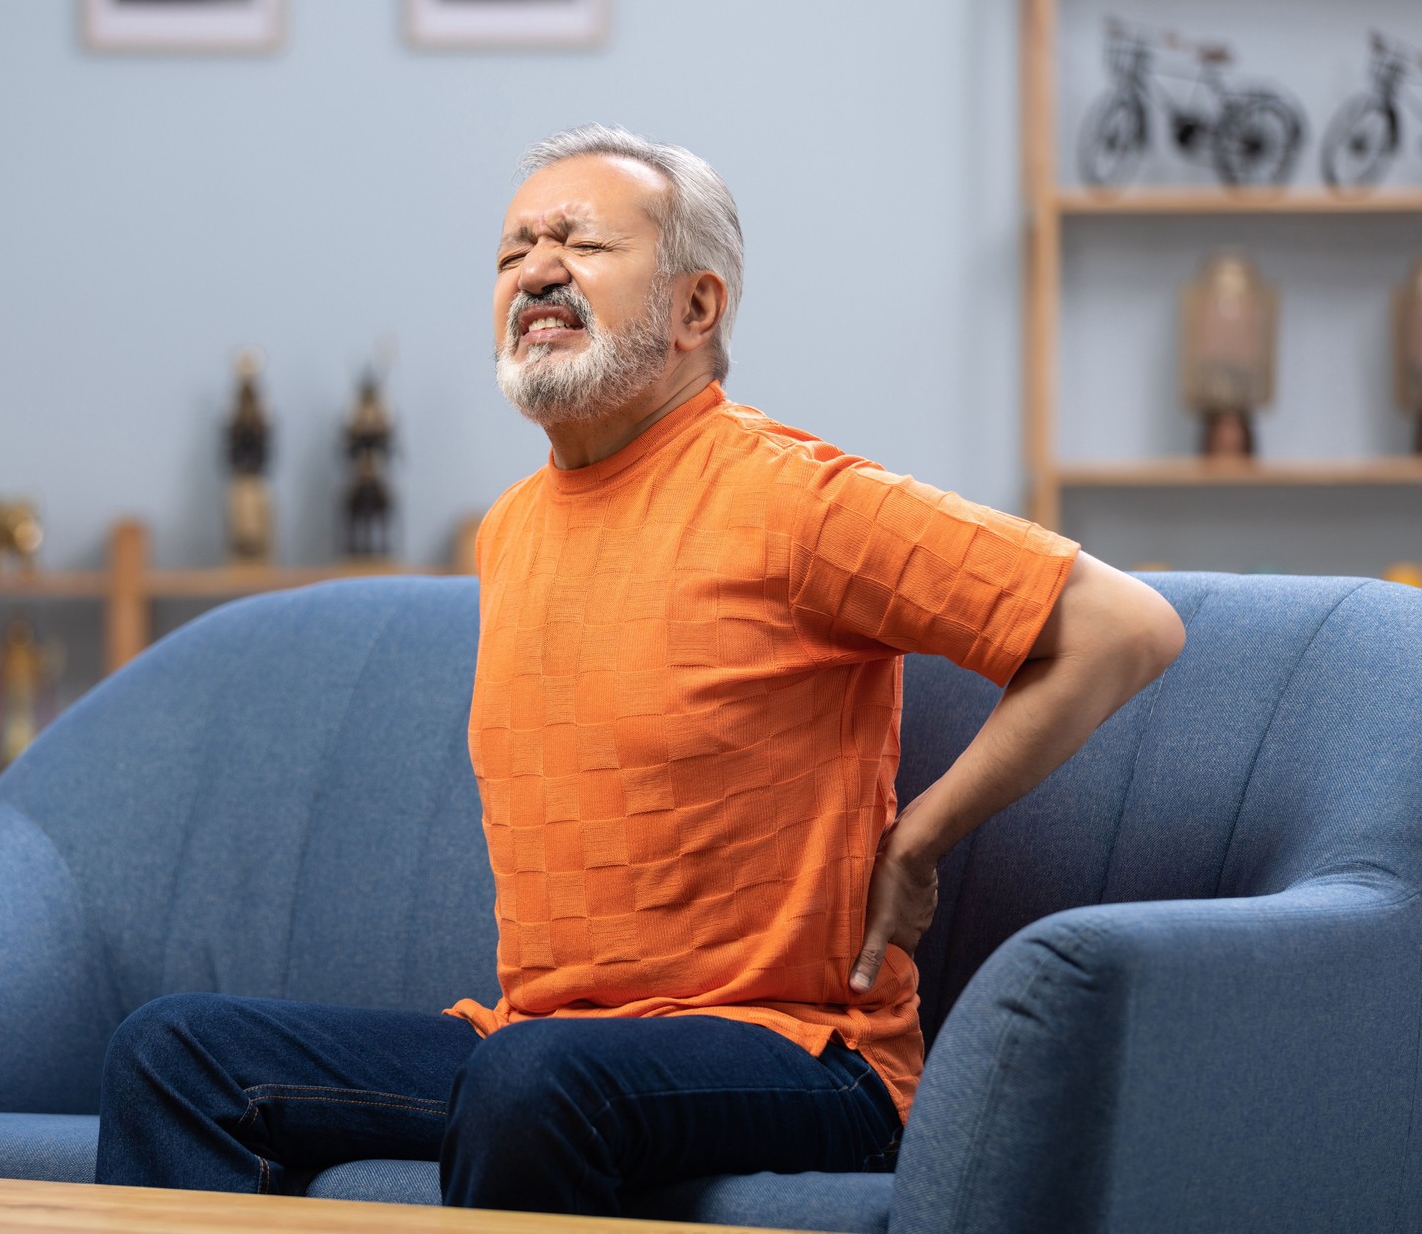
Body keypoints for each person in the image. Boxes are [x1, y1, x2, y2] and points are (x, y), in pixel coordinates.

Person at [94, 125, 1186, 1215]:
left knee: (539, 1080)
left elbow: (1123, 627)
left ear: (695, 308)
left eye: (580, 242)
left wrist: (923, 833)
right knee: (177, 1054)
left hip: (800, 1056)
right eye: (514, 249)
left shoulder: (797, 502)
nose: (535, 270)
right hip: (543, 1047)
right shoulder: (512, 528)